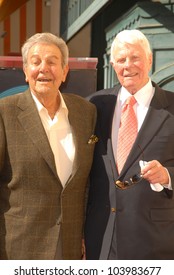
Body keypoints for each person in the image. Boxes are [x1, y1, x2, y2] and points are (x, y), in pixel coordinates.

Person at [0, 32, 97, 260]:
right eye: (35, 62)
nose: (43, 68)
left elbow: (88, 182)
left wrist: (84, 234)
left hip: (70, 247)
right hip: (18, 249)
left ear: (64, 71)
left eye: (52, 62)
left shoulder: (86, 112)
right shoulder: (5, 112)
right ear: (25, 71)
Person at [84, 29, 174, 260]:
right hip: (101, 239)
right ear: (113, 64)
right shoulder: (94, 106)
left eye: (135, 58)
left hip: (155, 242)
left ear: (150, 59)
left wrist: (167, 175)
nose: (128, 65)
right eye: (121, 60)